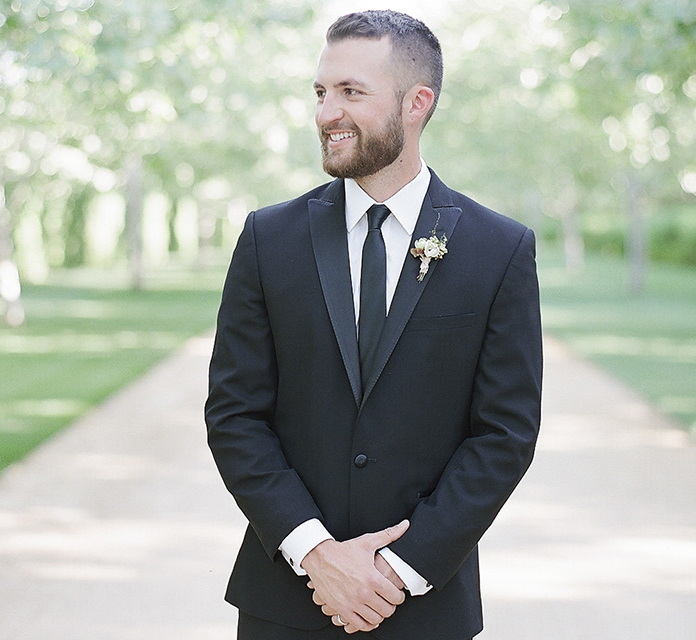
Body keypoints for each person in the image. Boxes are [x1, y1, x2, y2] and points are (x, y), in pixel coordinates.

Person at [206, 9, 542, 640]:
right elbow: (234, 416)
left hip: (425, 605)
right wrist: (315, 552)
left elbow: (505, 434)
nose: (326, 113)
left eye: (350, 92)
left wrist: (399, 572)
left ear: (417, 103)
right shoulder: (266, 240)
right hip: (284, 601)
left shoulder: (499, 250)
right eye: (321, 92)